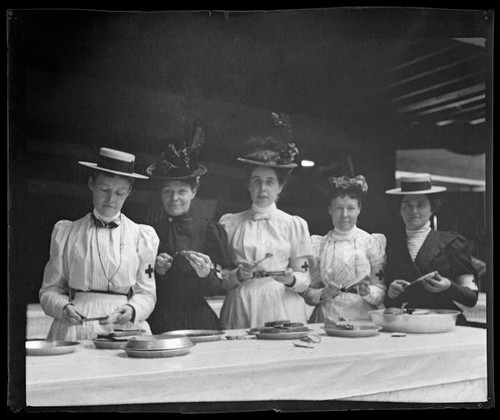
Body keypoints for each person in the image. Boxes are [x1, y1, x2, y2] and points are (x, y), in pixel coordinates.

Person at [39, 147, 159, 340]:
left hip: (124, 329)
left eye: (120, 193)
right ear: (91, 184)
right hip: (76, 327)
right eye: (104, 189)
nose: (111, 199)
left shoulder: (142, 237)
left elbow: (147, 293)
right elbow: (49, 291)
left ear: (129, 192)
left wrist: (133, 309)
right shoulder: (67, 233)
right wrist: (64, 307)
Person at [219, 112, 312, 329]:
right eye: (256, 181)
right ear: (248, 185)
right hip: (242, 303)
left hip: (282, 305)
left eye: (270, 182)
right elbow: (220, 277)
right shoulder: (230, 224)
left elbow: (305, 277)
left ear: (280, 187)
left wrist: (291, 279)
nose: (262, 189)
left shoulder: (293, 225)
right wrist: (237, 276)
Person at [145, 140, 234, 333]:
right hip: (159, 321)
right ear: (160, 194)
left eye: (182, 191)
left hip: (198, 320)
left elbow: (220, 287)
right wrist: (155, 272)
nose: (174, 198)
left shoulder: (210, 231)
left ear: (194, 191)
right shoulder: (148, 233)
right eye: (167, 191)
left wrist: (206, 274)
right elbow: (139, 285)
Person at [384, 173, 478, 324]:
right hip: (407, 324)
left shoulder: (453, 243)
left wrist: (448, 286)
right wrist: (391, 294)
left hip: (444, 323)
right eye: (407, 205)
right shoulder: (391, 246)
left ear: (432, 208)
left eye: (421, 205)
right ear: (399, 210)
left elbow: (471, 298)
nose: (414, 211)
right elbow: (388, 303)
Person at [302, 175, 386, 323]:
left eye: (351, 208)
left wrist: (368, 292)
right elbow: (308, 292)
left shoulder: (371, 243)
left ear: (359, 209)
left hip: (363, 317)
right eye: (338, 208)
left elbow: (381, 290)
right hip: (328, 317)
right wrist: (323, 293)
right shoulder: (318, 245)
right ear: (330, 209)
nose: (344, 215)